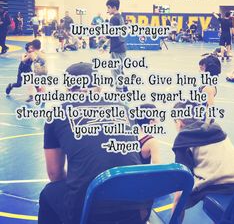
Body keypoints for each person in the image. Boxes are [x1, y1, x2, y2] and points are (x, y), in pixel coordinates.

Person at [38, 62, 151, 224]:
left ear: (68, 88)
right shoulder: (123, 109)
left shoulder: (57, 114)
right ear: (99, 86)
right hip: (134, 208)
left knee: (49, 192)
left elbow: (55, 174)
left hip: (89, 212)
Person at [172, 101, 234, 212]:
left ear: (179, 122)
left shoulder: (183, 137)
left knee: (180, 200)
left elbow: (182, 178)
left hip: (219, 186)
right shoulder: (215, 127)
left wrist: (176, 201)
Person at [103, 0, 127, 92]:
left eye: (109, 8)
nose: (107, 10)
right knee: (120, 70)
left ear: (114, 7)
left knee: (116, 71)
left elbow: (110, 34)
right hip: (122, 48)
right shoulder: (120, 17)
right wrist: (105, 45)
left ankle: (119, 94)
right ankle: (124, 89)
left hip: (117, 49)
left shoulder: (113, 18)